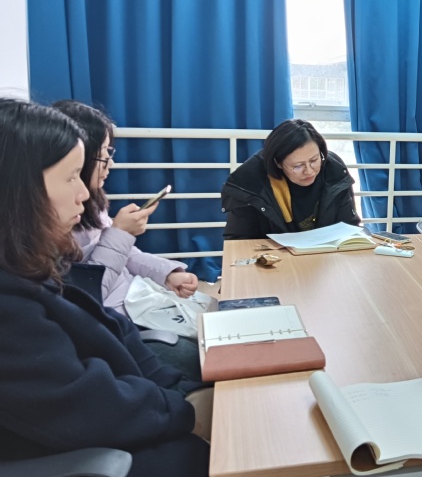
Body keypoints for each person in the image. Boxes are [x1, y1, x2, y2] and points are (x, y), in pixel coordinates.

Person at [0, 98, 209, 476]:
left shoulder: (32, 260)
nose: (82, 192)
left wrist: (178, 393)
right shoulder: (11, 305)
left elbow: (114, 330)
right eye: (70, 177)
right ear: (18, 188)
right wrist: (183, 411)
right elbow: (80, 405)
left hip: (132, 405)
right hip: (98, 448)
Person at [52, 100, 199, 316]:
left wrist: (167, 273)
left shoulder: (92, 203)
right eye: (103, 154)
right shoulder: (56, 220)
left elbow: (123, 255)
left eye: (109, 152)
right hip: (111, 316)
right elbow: (87, 294)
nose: (110, 163)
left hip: (133, 299)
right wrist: (121, 233)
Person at [222, 118, 360, 239]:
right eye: (298, 166)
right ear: (278, 163)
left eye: (314, 160)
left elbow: (350, 227)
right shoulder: (251, 182)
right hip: (273, 259)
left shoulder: (334, 169)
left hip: (328, 256)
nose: (309, 171)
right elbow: (239, 241)